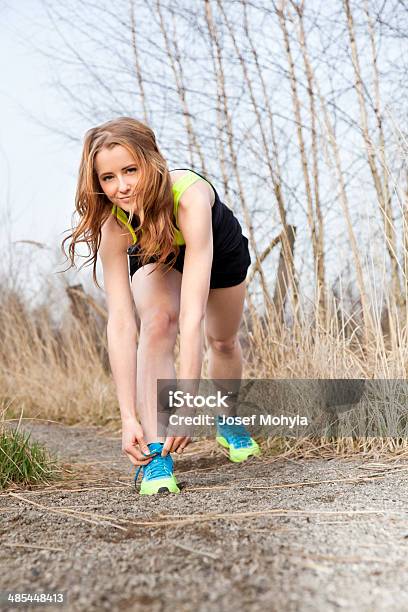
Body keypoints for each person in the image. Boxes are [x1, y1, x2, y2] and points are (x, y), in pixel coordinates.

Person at [62, 116, 260, 495]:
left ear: (152, 161)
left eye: (130, 170)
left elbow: (193, 315)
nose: (121, 187)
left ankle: (227, 418)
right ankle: (156, 454)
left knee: (223, 341)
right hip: (156, 250)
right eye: (108, 178)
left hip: (217, 253)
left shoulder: (190, 198)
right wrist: (127, 418)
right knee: (156, 323)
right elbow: (121, 324)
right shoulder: (113, 225)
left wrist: (188, 408)